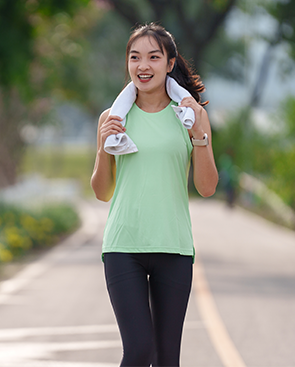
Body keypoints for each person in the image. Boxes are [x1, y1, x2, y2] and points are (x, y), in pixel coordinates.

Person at [90, 23, 218, 367]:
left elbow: (207, 187)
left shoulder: (193, 116)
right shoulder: (112, 119)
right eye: (135, 57)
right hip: (123, 247)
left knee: (166, 359)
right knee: (139, 350)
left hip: (173, 246)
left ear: (170, 63)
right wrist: (103, 148)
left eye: (153, 57)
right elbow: (102, 192)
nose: (143, 66)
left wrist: (199, 136)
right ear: (127, 63)